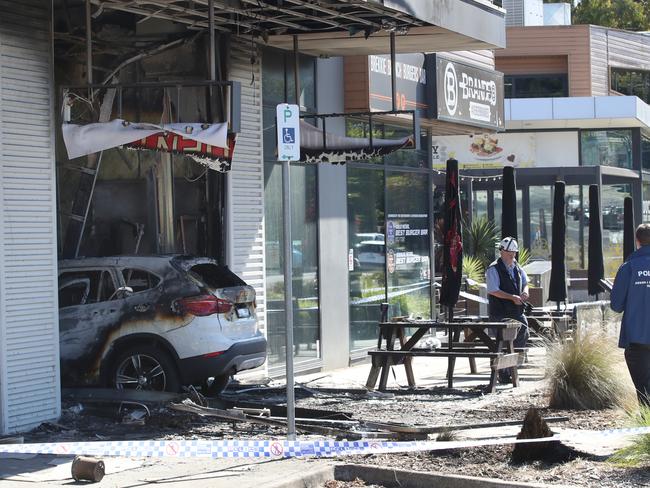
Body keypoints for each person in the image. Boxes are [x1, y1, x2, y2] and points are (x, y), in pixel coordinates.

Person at [610, 223, 650, 407]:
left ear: (637, 241)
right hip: (638, 341)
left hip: (637, 339)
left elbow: (616, 305)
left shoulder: (628, 267)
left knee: (644, 393)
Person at [485, 237, 530, 383]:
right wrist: (512, 297)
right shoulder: (494, 268)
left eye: (514, 252)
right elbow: (493, 290)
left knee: (523, 334)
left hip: (516, 311)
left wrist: (525, 291)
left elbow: (525, 282)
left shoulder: (517, 266)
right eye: (509, 252)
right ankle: (504, 372)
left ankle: (510, 369)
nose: (512, 255)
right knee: (503, 342)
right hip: (500, 313)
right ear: (502, 252)